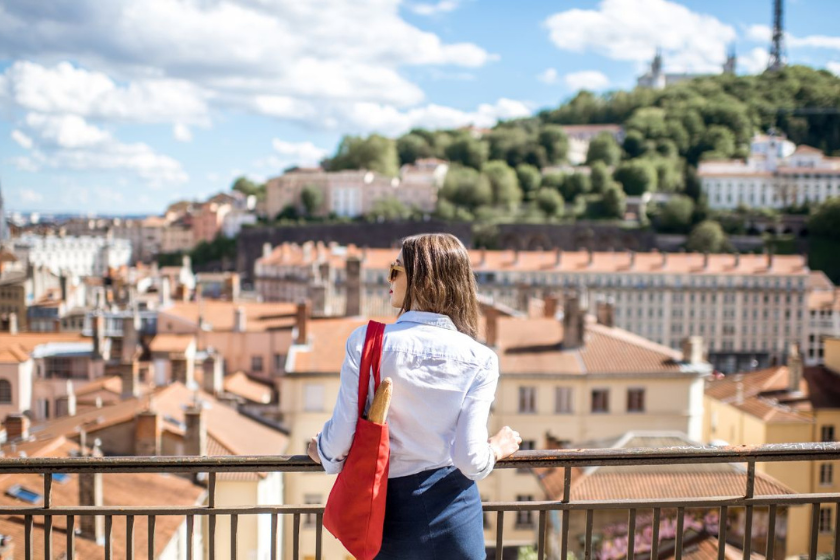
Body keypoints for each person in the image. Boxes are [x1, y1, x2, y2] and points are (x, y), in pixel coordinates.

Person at [307, 233, 521, 559]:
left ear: (424, 280)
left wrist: (319, 448)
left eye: (396, 270)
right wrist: (497, 447)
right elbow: (469, 459)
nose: (388, 278)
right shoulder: (481, 358)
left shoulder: (368, 343)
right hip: (456, 514)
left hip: (387, 516)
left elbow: (337, 446)